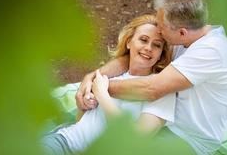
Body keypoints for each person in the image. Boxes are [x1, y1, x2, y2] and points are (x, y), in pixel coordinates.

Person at [76, 0, 227, 155]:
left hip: (188, 139)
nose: (158, 30)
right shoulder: (189, 37)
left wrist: (101, 87)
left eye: (161, 26)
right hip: (161, 123)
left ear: (182, 32)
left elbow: (151, 89)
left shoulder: (212, 50)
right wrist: (95, 75)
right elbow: (135, 57)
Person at [42, 14, 189, 154]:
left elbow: (135, 141)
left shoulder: (162, 90)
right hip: (66, 143)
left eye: (157, 45)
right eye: (143, 40)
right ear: (129, 42)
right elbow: (83, 123)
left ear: (160, 54)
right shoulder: (112, 74)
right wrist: (84, 105)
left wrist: (103, 96)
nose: (149, 48)